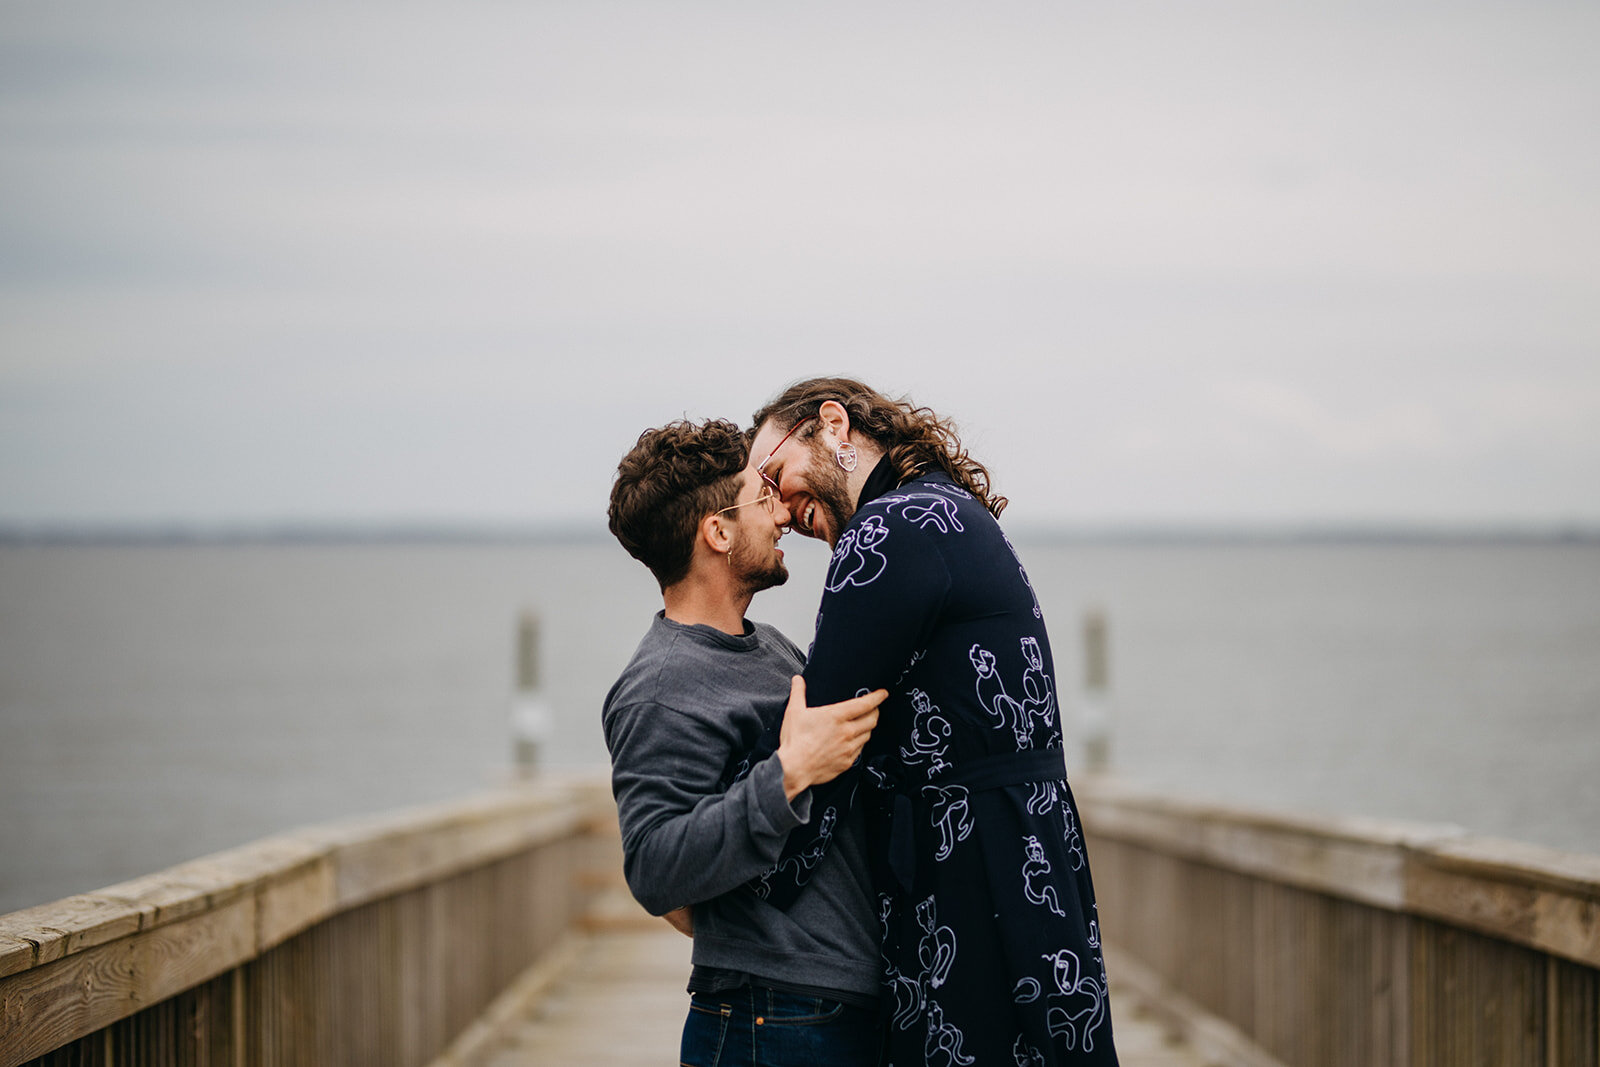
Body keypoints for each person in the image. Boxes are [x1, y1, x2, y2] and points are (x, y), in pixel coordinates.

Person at [746, 378, 1120, 1065]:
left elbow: (827, 736)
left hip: (972, 870)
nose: (780, 507)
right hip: (1022, 843)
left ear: (833, 425)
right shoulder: (944, 509)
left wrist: (737, 880)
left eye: (774, 472)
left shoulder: (886, 530)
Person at [603, 417, 889, 1067]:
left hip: (833, 1005)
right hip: (770, 1018)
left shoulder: (777, 652)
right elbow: (653, 867)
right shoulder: (660, 684)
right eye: (762, 496)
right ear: (718, 531)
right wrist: (787, 773)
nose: (782, 513)